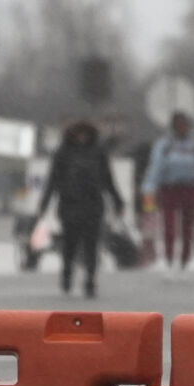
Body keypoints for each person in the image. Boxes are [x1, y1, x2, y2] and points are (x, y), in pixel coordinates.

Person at [39, 120, 125, 298]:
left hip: (93, 205)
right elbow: (53, 180)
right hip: (70, 205)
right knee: (70, 244)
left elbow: (108, 179)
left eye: (85, 134)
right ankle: (67, 274)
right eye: (79, 134)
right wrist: (44, 203)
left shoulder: (98, 153)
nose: (82, 138)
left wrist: (118, 201)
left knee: (91, 246)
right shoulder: (63, 153)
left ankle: (90, 281)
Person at [140, 111, 194, 277]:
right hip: (170, 188)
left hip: (191, 188)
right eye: (179, 125)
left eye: (185, 125)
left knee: (188, 226)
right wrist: (149, 190)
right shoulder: (165, 145)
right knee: (169, 224)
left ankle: (185, 258)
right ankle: (169, 257)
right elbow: (155, 169)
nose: (183, 128)